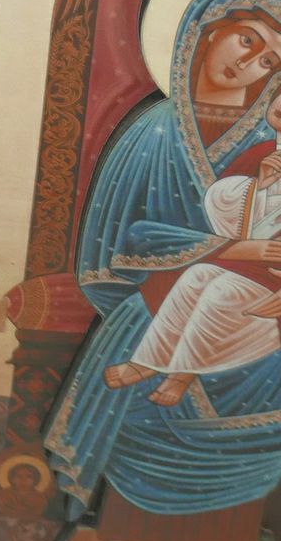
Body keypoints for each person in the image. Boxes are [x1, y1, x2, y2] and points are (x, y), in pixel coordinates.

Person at [45, 0, 281, 541]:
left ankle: (217, 539)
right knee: (145, 383)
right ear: (208, 29)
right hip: (156, 300)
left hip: (256, 307)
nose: (249, 64)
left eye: (269, 61)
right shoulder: (153, 131)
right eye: (247, 39)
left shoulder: (269, 145)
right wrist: (231, 249)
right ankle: (131, 533)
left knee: (267, 381)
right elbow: (122, 241)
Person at [105, 80, 281, 405]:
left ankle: (181, 374)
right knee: (196, 276)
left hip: (273, 283)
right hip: (246, 267)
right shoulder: (262, 155)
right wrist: (258, 186)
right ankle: (148, 361)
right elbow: (223, 214)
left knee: (221, 291)